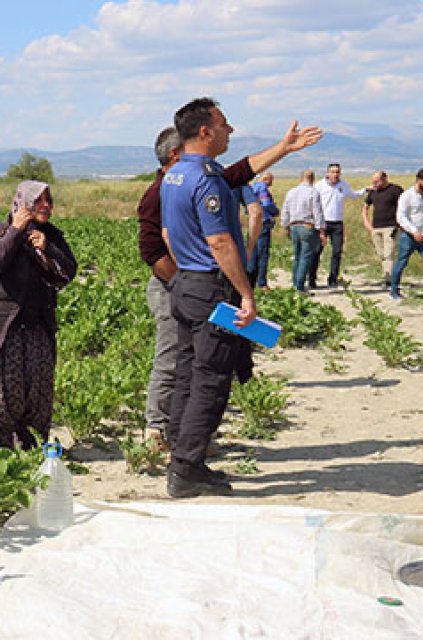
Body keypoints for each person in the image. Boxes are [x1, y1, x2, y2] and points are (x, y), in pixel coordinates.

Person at [136, 122, 319, 452]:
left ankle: (184, 439)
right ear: (176, 154)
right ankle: (157, 430)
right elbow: (151, 250)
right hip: (173, 285)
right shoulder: (159, 192)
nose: (229, 130)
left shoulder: (191, 178)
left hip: (191, 287)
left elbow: (237, 173)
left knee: (194, 361)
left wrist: (283, 148)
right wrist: (182, 283)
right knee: (174, 359)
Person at [159, 97, 262, 498]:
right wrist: (245, 294)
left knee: (187, 373)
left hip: (186, 284)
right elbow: (219, 240)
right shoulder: (207, 178)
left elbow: (169, 235)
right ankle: (185, 469)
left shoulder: (174, 175)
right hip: (210, 288)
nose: (229, 131)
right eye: (224, 124)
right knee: (212, 379)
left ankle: (182, 456)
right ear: (205, 131)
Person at [0, 180, 77, 451]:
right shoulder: (1, 232)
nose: (47, 207)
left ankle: (31, 448)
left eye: (49, 201)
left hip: (35, 327)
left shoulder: (51, 235)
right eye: (39, 201)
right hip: (1, 331)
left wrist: (47, 247)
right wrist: (16, 231)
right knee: (3, 394)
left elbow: (68, 271)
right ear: (23, 203)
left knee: (37, 393)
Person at [310, 163, 365, 288]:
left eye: (337, 172)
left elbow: (354, 195)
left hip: (337, 223)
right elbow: (312, 203)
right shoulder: (319, 186)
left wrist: (366, 191)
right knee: (317, 251)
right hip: (322, 222)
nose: (335, 174)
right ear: (327, 173)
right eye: (333, 172)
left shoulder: (343, 185)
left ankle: (333, 278)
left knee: (337, 251)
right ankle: (312, 278)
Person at [281, 170, 327, 293]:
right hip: (307, 226)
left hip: (294, 226)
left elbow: (285, 210)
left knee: (297, 255)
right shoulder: (313, 192)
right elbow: (317, 212)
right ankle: (300, 286)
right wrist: (321, 230)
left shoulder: (291, 192)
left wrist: (285, 226)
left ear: (300, 178)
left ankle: (295, 282)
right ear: (312, 179)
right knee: (305, 257)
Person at [390, 168, 423, 300]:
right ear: (418, 180)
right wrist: (413, 231)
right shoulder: (407, 196)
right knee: (401, 262)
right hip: (408, 236)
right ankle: (394, 290)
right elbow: (400, 217)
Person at [362, 170, 404, 286]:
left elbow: (403, 206)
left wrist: (400, 224)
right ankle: (388, 275)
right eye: (373, 181)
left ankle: (389, 280)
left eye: (377, 181)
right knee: (381, 254)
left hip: (391, 227)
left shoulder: (396, 190)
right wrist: (366, 222)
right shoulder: (373, 192)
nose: (374, 184)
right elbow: (365, 207)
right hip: (376, 228)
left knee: (388, 254)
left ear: (385, 179)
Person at [247, 173, 278, 288]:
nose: (272, 182)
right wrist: (274, 211)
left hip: (252, 222)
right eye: (271, 180)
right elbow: (266, 203)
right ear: (266, 179)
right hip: (263, 222)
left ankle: (250, 280)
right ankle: (262, 282)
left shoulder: (253, 187)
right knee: (263, 253)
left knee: (252, 252)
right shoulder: (262, 188)